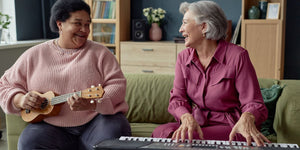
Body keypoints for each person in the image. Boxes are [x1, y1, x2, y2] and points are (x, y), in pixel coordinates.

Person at [0, 0, 131, 149]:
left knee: (116, 128)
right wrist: (20, 99)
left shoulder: (101, 53)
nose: (84, 30)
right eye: (77, 23)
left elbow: (117, 84)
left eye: (87, 24)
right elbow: (4, 85)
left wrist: (93, 104)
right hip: (50, 127)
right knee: (29, 141)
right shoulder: (34, 54)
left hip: (96, 122)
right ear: (60, 24)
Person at [152, 0, 270, 147]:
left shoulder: (237, 56)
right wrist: (186, 116)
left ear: (204, 27)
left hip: (231, 127)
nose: (180, 29)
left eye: (185, 22)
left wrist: (248, 116)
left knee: (185, 139)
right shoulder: (183, 58)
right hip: (199, 123)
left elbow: (254, 102)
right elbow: (177, 99)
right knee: (161, 133)